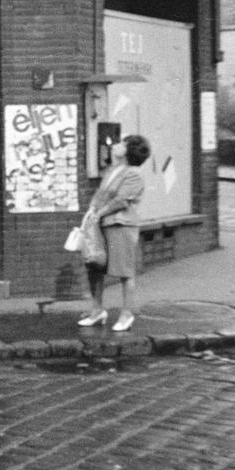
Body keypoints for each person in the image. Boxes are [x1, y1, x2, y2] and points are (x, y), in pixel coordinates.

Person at [77, 134, 151, 333]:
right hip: (102, 225)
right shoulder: (113, 170)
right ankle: (97, 310)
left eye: (122, 144)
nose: (116, 145)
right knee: (95, 265)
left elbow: (121, 200)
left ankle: (127, 313)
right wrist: (92, 211)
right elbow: (100, 195)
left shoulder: (133, 173)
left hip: (121, 225)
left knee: (124, 271)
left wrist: (98, 213)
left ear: (129, 151)